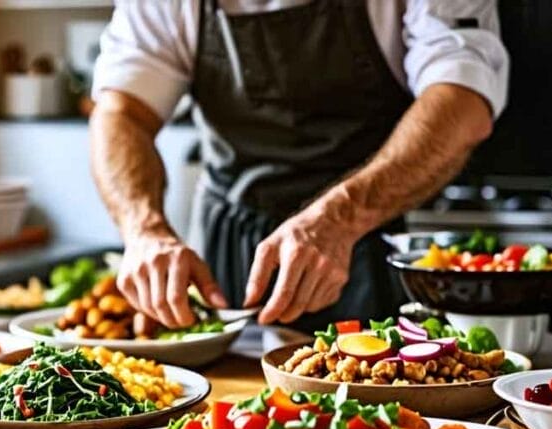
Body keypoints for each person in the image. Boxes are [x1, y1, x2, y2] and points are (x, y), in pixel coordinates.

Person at [89, 0, 508, 332]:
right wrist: (143, 230)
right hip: (228, 249)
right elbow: (121, 113)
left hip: (373, 240)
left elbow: (462, 100)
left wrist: (340, 218)